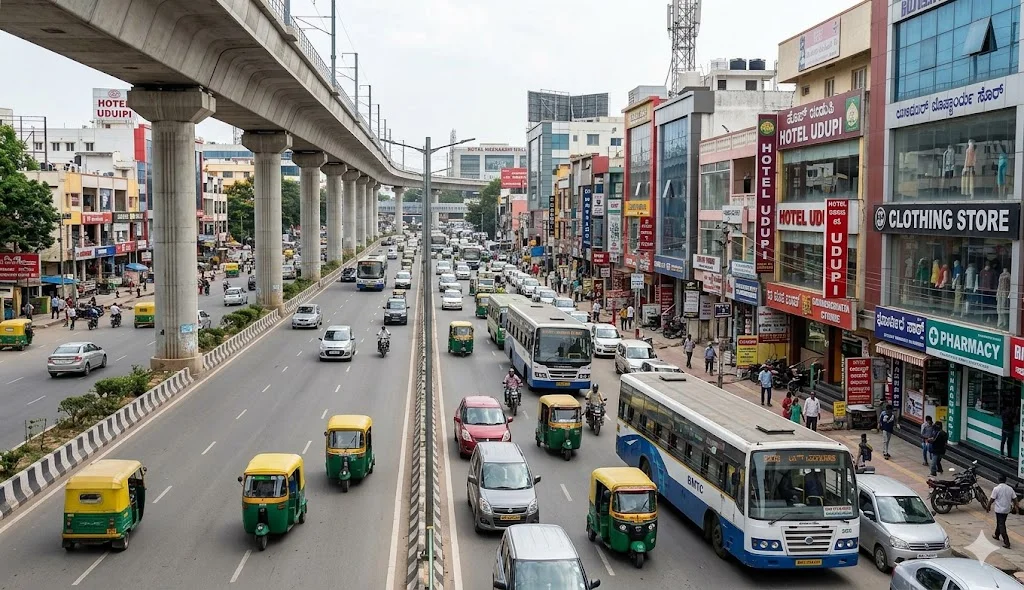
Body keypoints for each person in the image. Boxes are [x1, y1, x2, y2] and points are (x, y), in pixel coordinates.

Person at [990, 474, 1015, 548]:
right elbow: (1015, 498)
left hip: (999, 510)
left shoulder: (996, 488)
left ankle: (1007, 542)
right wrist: (1016, 506)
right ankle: (996, 535)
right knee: (1000, 522)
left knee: (1001, 525)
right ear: (1005, 480)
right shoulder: (1010, 488)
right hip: (1006, 509)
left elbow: (992, 499)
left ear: (998, 480)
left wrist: (988, 506)